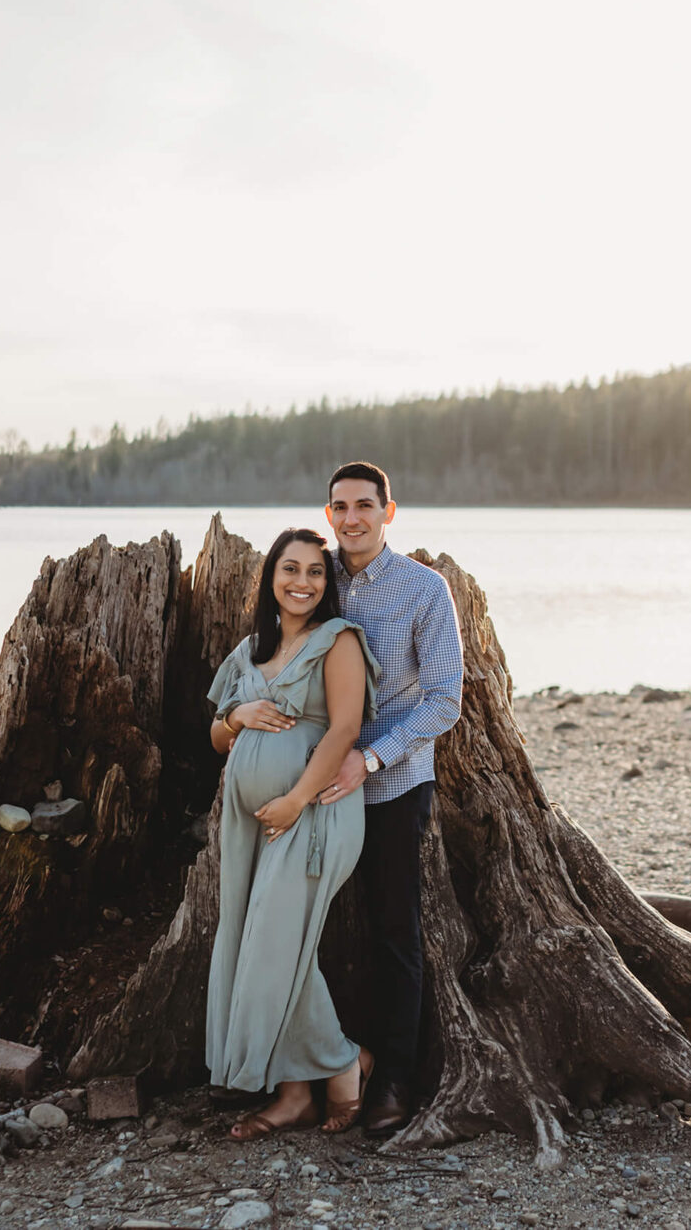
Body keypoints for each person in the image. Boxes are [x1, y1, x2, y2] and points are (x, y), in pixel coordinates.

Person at [203, 527, 379, 1137]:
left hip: (314, 813)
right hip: (249, 823)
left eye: (315, 572)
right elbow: (218, 739)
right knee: (259, 947)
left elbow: (343, 729)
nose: (302, 582)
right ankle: (298, 1091)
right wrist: (236, 715)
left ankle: (341, 1064)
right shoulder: (251, 649)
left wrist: (296, 801)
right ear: (271, 578)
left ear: (327, 585)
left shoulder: (338, 641)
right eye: (290, 569)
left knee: (278, 947)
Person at [315, 460, 463, 1137]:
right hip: (316, 781)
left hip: (394, 782)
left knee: (393, 932)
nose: (352, 518)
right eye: (340, 506)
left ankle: (395, 1077)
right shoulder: (314, 581)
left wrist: (371, 756)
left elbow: (444, 700)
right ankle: (312, 1069)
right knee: (306, 925)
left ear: (389, 512)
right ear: (329, 514)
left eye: (364, 506)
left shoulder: (425, 590)